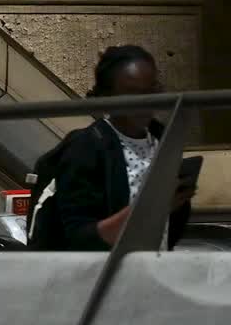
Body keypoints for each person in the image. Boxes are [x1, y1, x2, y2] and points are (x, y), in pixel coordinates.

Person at [28, 45, 194, 250]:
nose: (145, 102)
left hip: (150, 270)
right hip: (99, 276)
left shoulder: (162, 138)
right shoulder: (87, 148)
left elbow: (172, 225)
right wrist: (150, 208)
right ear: (109, 97)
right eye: (133, 94)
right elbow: (81, 237)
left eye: (151, 91)